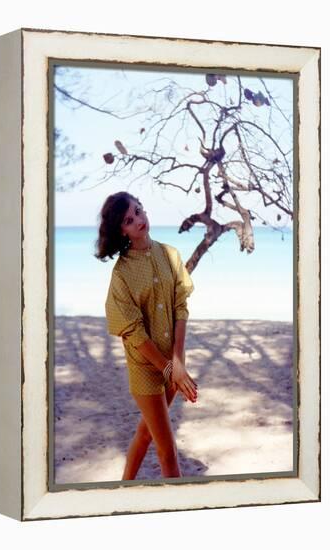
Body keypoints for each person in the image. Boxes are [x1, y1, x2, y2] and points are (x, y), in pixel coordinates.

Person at [94, 191, 197, 480]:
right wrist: (167, 368)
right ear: (121, 230)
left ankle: (124, 487)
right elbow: (132, 332)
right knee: (168, 451)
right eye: (129, 219)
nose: (139, 220)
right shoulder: (122, 274)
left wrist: (177, 363)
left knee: (145, 433)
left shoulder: (171, 255)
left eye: (139, 211)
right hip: (145, 368)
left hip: (172, 363)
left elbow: (180, 307)